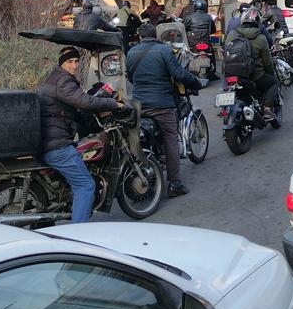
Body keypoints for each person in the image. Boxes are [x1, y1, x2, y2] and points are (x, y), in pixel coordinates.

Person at [38, 46, 125, 223]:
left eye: (77, 61)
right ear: (62, 63)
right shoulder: (63, 81)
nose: (75, 65)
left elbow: (72, 106)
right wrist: (112, 104)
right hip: (56, 144)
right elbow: (83, 101)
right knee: (85, 185)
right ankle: (78, 233)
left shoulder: (53, 79)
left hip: (47, 138)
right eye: (70, 61)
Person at [127, 23, 203, 198]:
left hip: (138, 105)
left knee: (136, 137)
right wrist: (195, 82)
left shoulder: (131, 53)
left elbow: (130, 76)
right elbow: (178, 74)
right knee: (171, 138)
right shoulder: (164, 50)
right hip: (162, 104)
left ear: (140, 37)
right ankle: (175, 183)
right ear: (156, 35)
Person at [225, 6, 278, 121]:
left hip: (232, 75)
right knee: (273, 82)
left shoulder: (232, 34)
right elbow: (267, 62)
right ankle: (267, 109)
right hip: (255, 76)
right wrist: (271, 73)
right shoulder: (261, 38)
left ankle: (226, 108)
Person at [183, 0, 218, 79]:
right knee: (212, 54)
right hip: (205, 41)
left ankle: (186, 70)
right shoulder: (209, 17)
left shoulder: (189, 17)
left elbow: (184, 29)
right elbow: (213, 30)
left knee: (185, 54)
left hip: (192, 42)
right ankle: (213, 73)